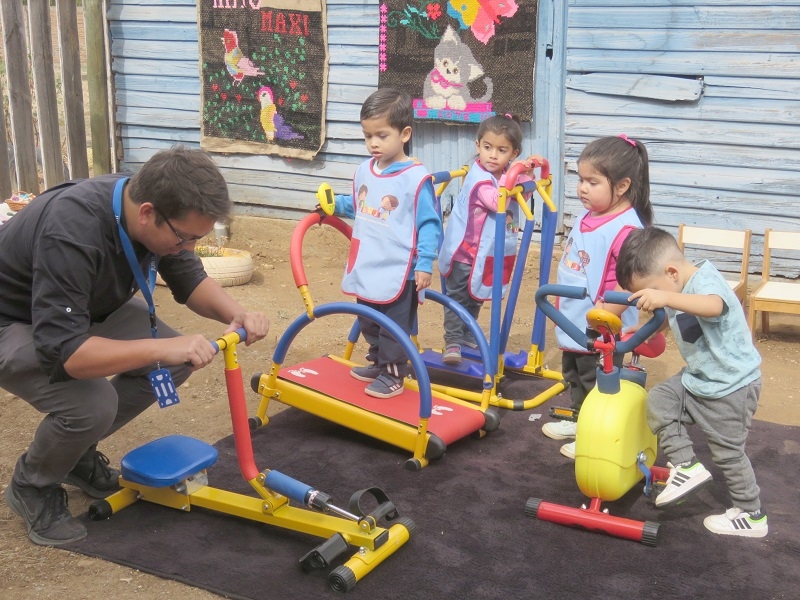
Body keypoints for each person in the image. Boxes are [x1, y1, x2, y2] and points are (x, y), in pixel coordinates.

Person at [0, 146, 270, 547]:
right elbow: (66, 353)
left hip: (81, 309)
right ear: (147, 213)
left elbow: (189, 280)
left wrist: (237, 313)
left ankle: (74, 453)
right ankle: (33, 484)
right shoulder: (72, 228)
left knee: (179, 359)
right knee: (93, 405)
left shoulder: (151, 210)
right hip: (15, 321)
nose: (189, 247)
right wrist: (158, 350)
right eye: (186, 237)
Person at [616, 226, 767, 538]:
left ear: (671, 272)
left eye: (654, 291)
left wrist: (666, 296)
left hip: (732, 386)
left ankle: (752, 515)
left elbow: (713, 306)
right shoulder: (675, 286)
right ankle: (686, 466)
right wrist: (649, 332)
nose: (659, 300)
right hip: (701, 379)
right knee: (660, 399)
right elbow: (678, 318)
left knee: (727, 452)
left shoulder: (705, 281)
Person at [541, 135, 654, 459]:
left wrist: (605, 314)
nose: (582, 188)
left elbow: (630, 283)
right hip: (575, 316)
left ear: (621, 186)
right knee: (574, 372)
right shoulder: (589, 215)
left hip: (602, 323)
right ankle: (579, 420)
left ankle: (596, 434)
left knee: (597, 381)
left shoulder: (626, 229)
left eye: (593, 181)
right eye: (580, 179)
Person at [323, 88, 441, 399]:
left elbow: (429, 224)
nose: (373, 143)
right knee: (368, 320)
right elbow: (359, 205)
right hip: (368, 262)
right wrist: (333, 205)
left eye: (381, 135)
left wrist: (426, 262)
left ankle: (393, 373)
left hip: (399, 268)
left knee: (393, 326)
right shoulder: (365, 170)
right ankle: (378, 363)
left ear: (404, 134)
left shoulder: (416, 179)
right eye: (367, 136)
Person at [438, 114, 536, 365]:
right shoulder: (479, 178)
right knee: (457, 298)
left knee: (477, 295)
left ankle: (468, 332)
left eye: (501, 150)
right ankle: (452, 340)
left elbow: (529, 184)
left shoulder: (503, 173)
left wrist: (524, 172)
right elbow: (496, 200)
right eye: (487, 147)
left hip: (486, 251)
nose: (493, 155)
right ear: (477, 146)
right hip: (464, 252)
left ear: (513, 153)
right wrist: (514, 177)